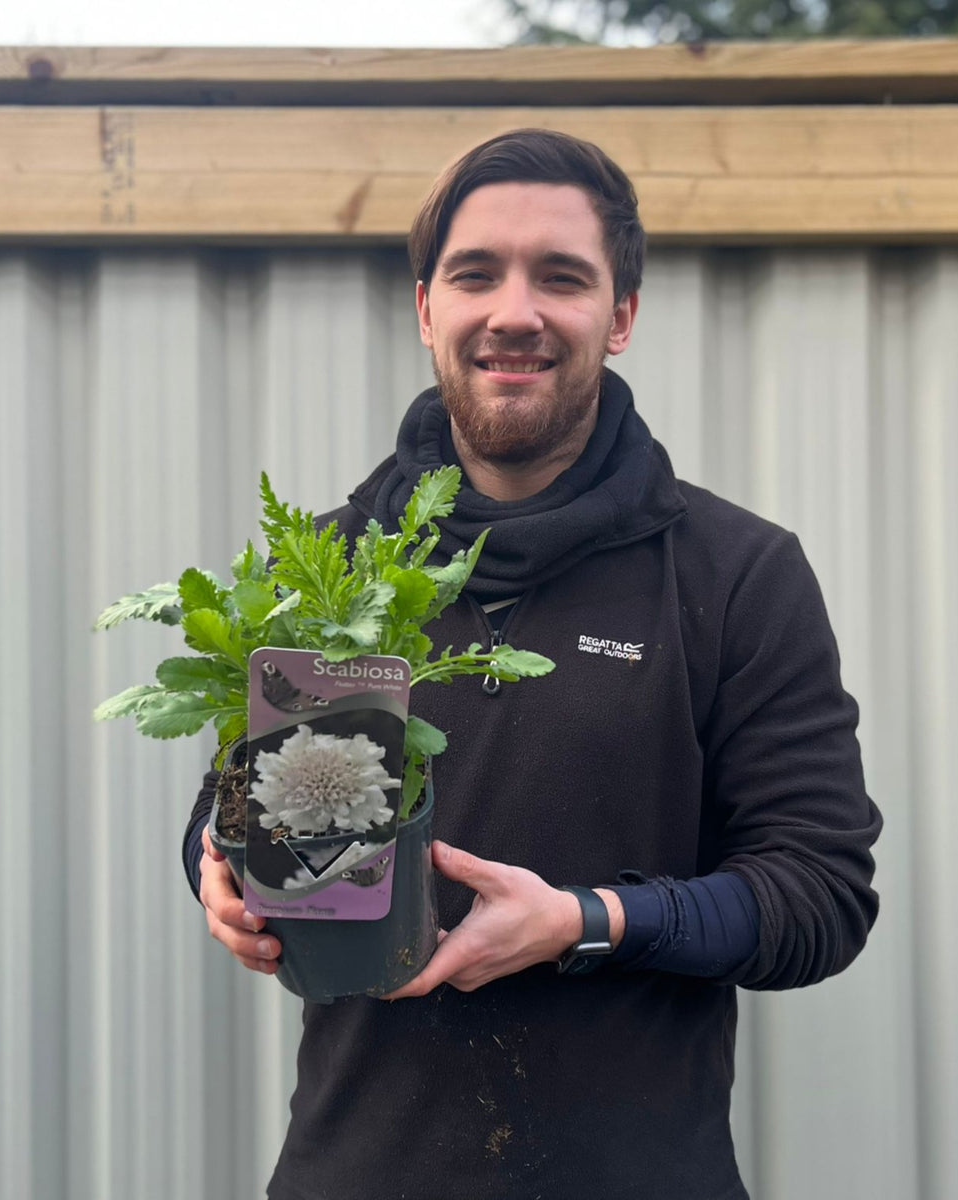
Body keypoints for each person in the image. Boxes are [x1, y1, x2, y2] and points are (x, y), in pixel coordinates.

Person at [183, 128, 882, 1200]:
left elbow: (821, 895)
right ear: (428, 309)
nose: (516, 311)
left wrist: (586, 921)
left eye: (562, 277)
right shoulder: (329, 569)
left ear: (622, 316)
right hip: (354, 1172)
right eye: (476, 274)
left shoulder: (737, 573)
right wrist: (217, 876)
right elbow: (232, 804)